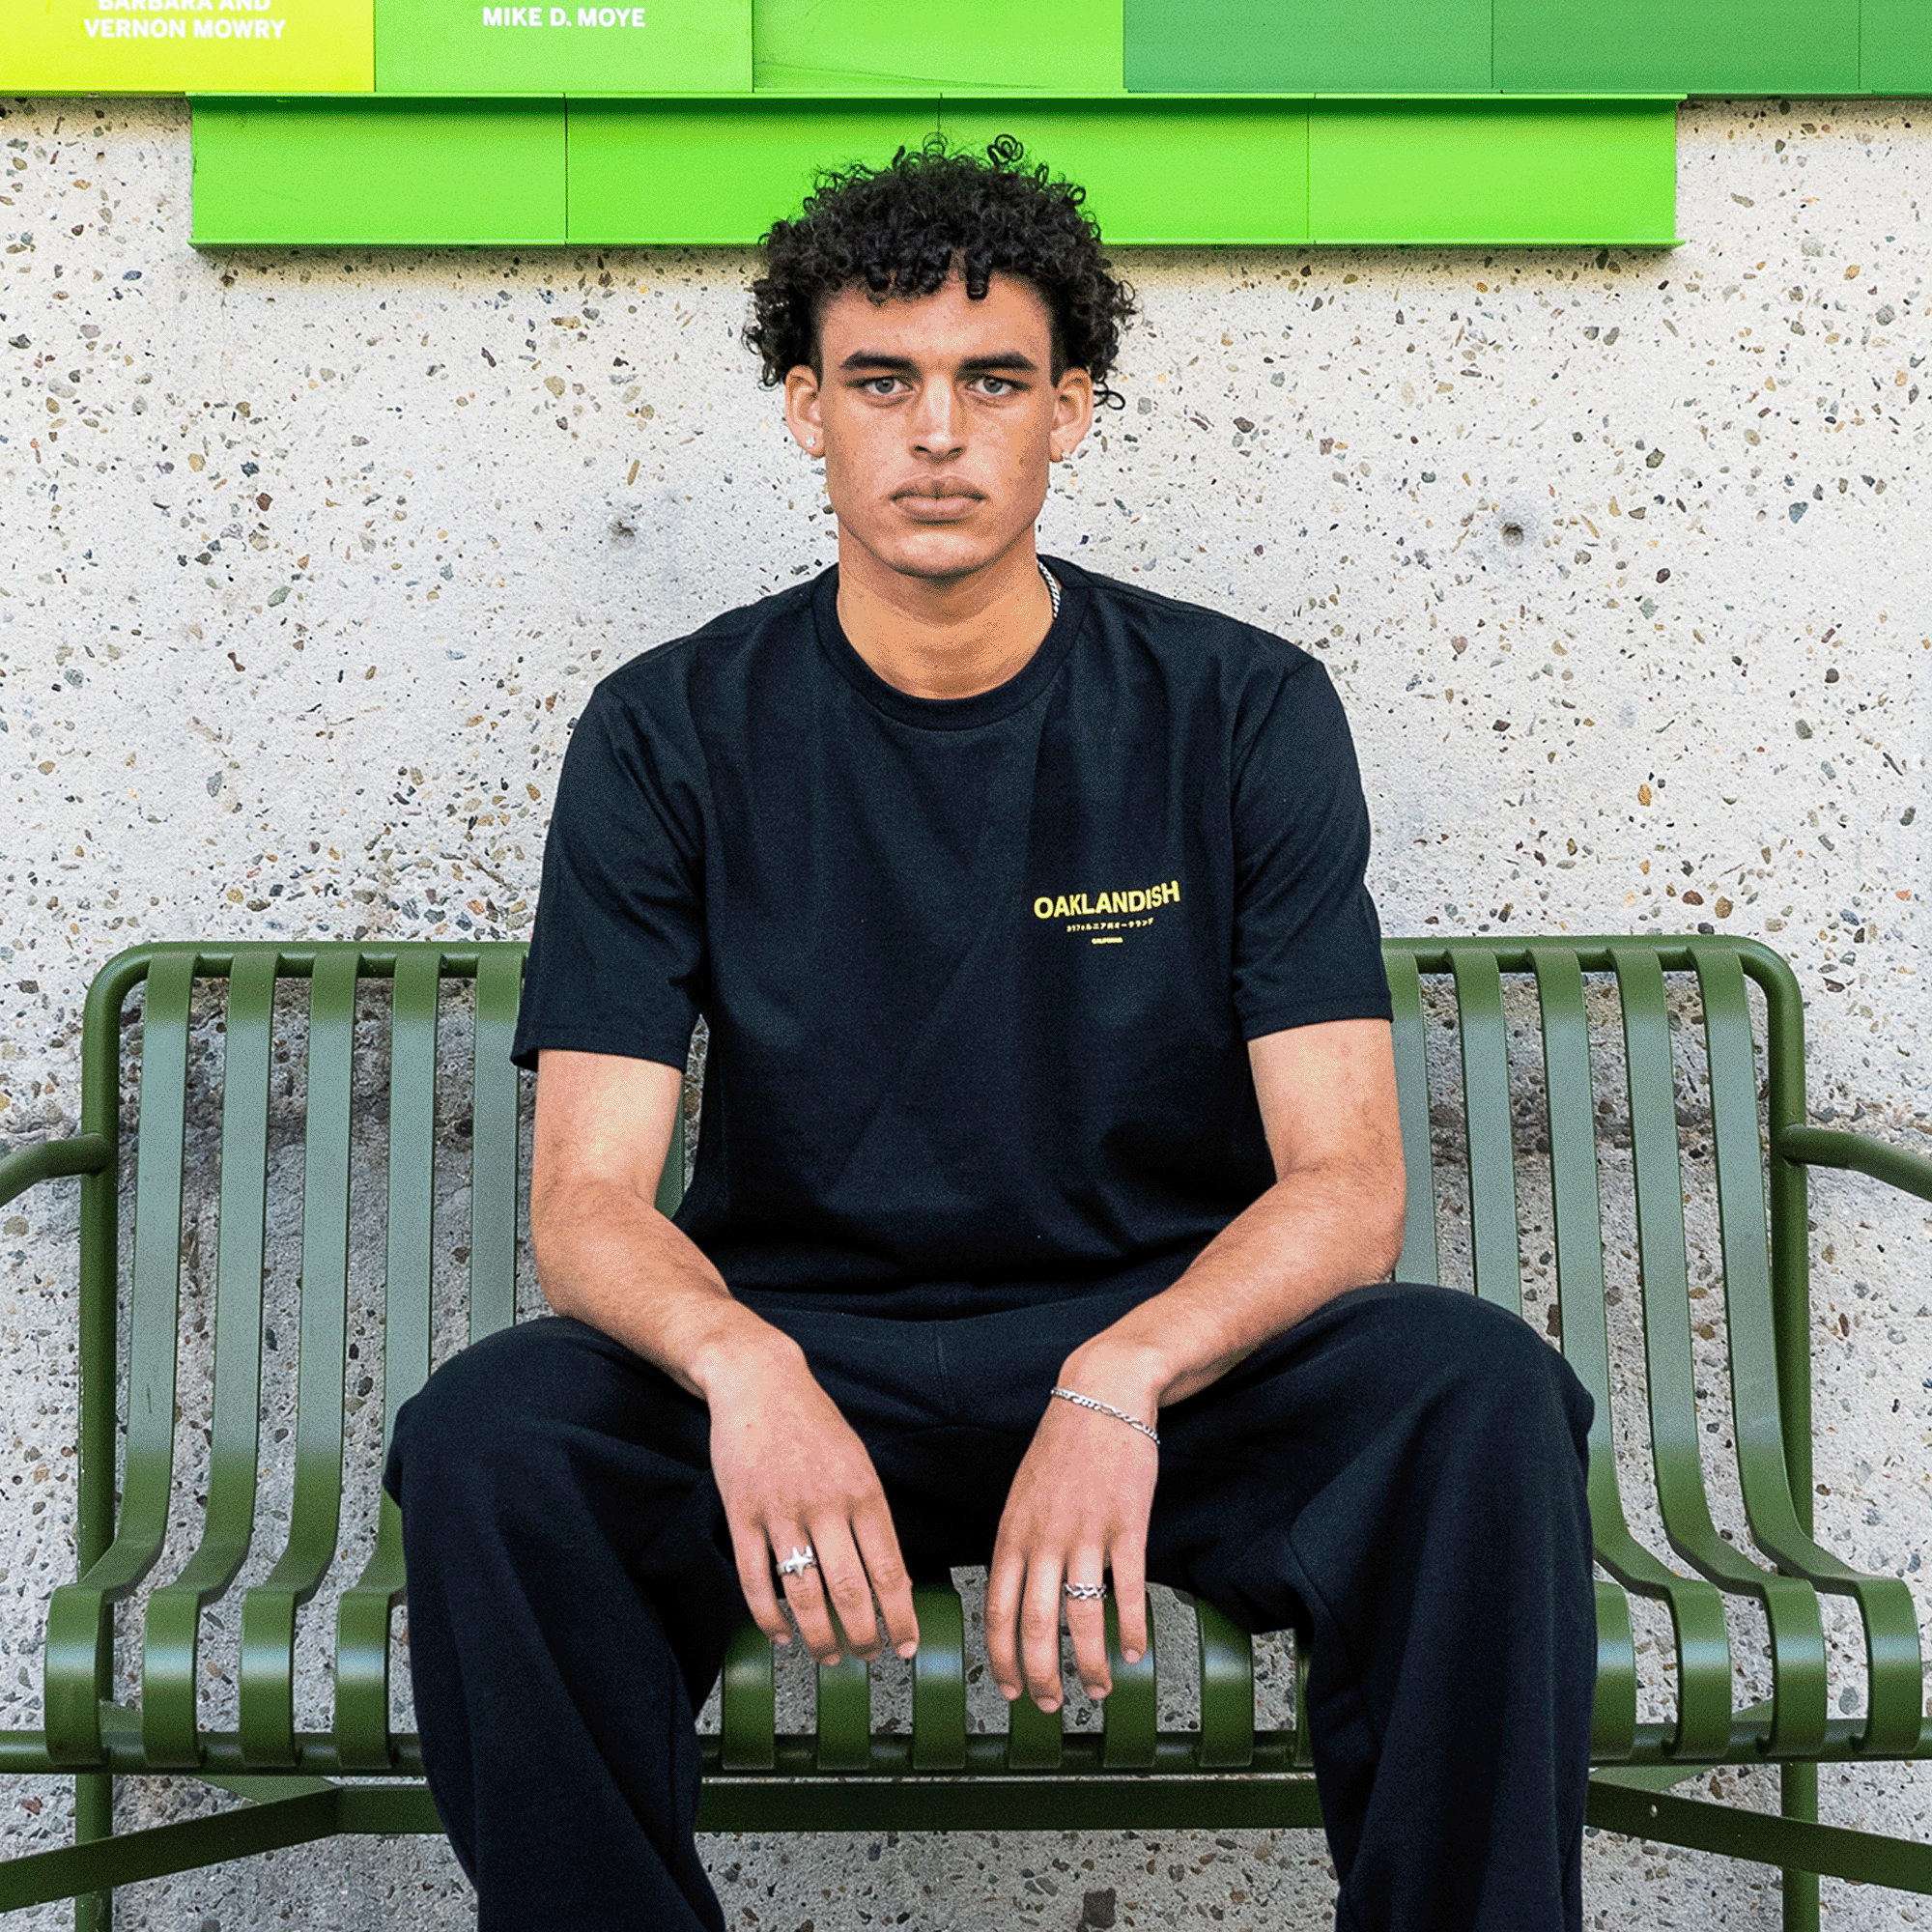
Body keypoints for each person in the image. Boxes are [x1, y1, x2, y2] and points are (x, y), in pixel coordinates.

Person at [385, 136, 1598, 1932]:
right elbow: (586, 1198)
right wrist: (740, 1366)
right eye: (881, 379)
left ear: (1069, 409)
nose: (935, 430)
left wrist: (1124, 1375)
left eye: (991, 379)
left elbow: (1346, 1185)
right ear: (806, 408)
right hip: (813, 1365)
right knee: (492, 1440)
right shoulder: (670, 730)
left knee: (1477, 1399)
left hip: (1163, 1364)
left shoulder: (1237, 709)